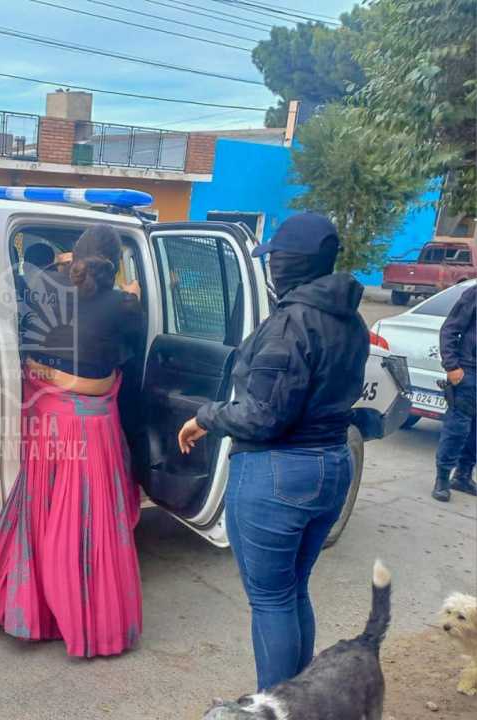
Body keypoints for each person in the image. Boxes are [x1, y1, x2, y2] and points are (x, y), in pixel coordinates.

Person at [178, 213, 369, 691]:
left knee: (271, 599)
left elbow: (263, 417)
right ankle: (299, 701)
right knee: (292, 590)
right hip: (332, 463)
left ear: (289, 264)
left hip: (281, 473)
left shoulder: (290, 325)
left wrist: (206, 416)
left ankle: (277, 708)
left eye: (275, 259)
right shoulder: (351, 319)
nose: (271, 267)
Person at [0, 224, 145, 657]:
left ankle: (35, 604)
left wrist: (62, 266)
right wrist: (131, 296)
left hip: (43, 412)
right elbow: (129, 352)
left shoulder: (42, 285)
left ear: (73, 255)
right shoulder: (124, 305)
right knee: (84, 520)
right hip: (87, 422)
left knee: (40, 507)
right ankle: (83, 619)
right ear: (115, 263)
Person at [432, 283, 477, 501]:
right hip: (469, 372)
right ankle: (442, 479)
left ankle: (463, 476)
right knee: (457, 428)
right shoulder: (474, 294)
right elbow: (450, 330)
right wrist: (452, 366)